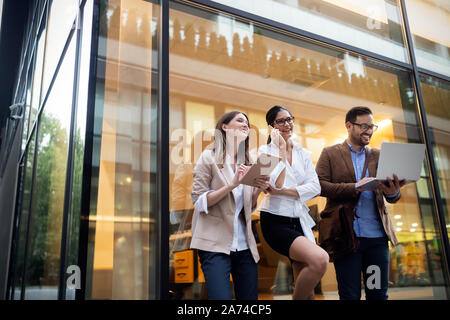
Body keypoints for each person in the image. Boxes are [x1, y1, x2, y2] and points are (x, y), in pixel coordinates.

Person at [316, 106, 407, 300]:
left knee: (378, 295)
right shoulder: (330, 153)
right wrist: (355, 187)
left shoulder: (379, 155)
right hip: (346, 238)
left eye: (371, 126)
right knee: (350, 295)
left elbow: (393, 196)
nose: (369, 131)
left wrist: (393, 192)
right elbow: (320, 186)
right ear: (349, 126)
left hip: (376, 240)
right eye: (364, 126)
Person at [190, 111, 269, 300]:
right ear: (224, 127)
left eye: (247, 123)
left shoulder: (249, 162)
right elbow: (198, 200)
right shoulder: (208, 157)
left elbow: (248, 208)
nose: (245, 125)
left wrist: (259, 187)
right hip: (214, 244)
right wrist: (232, 185)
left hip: (244, 245)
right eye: (240, 120)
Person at [258, 105, 328, 300]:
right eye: (281, 121)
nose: (287, 124)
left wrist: (287, 192)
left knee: (308, 291)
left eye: (290, 119)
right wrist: (280, 150)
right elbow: (274, 183)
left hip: (298, 219)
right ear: (272, 126)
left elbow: (316, 187)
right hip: (275, 220)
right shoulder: (264, 151)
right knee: (320, 259)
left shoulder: (302, 152)